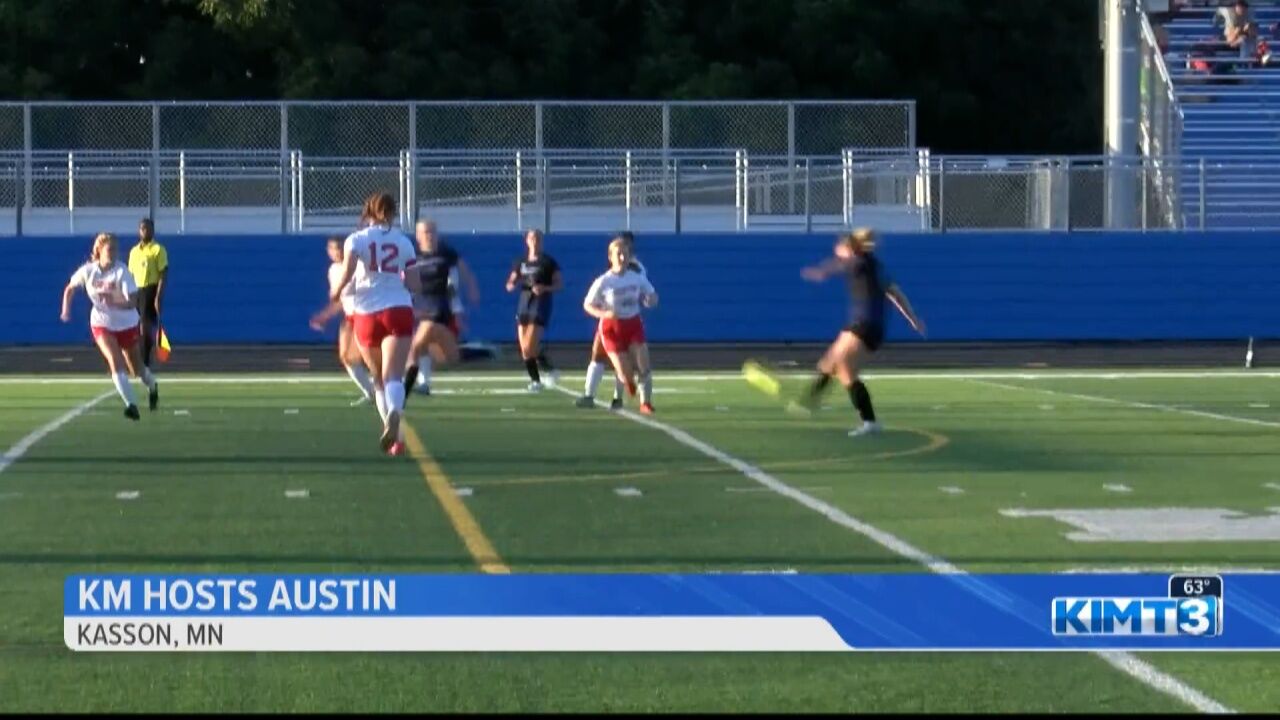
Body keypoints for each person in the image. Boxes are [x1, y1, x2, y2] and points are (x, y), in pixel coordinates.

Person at [796, 228, 926, 437]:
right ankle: (806, 403)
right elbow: (895, 293)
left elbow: (841, 264)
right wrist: (913, 319)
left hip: (867, 326)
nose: (837, 251)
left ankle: (869, 421)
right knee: (829, 362)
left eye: (839, 248)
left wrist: (822, 271)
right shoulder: (871, 264)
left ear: (849, 248)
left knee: (845, 369)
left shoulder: (861, 263)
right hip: (861, 324)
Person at [329, 192, 421, 455]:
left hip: (366, 312)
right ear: (393, 213)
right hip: (398, 308)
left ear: (367, 212)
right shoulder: (404, 242)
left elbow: (347, 273)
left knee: (378, 378)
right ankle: (395, 413)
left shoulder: (356, 239)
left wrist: (336, 293)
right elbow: (415, 284)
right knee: (394, 375)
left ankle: (393, 435)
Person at [61, 233, 159, 420]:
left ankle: (153, 386)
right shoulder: (88, 271)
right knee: (114, 360)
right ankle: (131, 405)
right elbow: (70, 289)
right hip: (102, 323)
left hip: (127, 324)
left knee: (136, 370)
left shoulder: (122, 272)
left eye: (115, 249)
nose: (113, 253)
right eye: (109, 249)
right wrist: (65, 310)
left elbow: (132, 302)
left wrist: (113, 301)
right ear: (99, 250)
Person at [404, 219, 490, 397]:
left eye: (432, 232)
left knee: (416, 346)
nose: (430, 236)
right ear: (418, 236)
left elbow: (463, 274)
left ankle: (403, 390)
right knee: (449, 356)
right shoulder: (412, 255)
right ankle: (481, 351)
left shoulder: (446, 253)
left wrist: (472, 289)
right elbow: (405, 280)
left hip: (438, 307)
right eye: (425, 232)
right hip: (419, 306)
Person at [582, 238, 658, 415]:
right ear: (610, 257)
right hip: (612, 328)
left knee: (644, 364)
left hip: (633, 324)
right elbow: (587, 304)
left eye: (625, 253)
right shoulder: (604, 281)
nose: (622, 257)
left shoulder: (637, 276)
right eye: (618, 254)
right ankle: (626, 384)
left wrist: (651, 300)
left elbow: (652, 295)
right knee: (625, 373)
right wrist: (604, 314)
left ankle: (645, 403)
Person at [309, 235, 379, 407]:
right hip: (350, 317)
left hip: (366, 314)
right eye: (334, 248)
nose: (338, 251)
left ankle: (387, 390)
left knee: (371, 358)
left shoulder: (358, 266)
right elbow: (340, 300)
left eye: (341, 247)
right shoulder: (333, 270)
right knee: (347, 357)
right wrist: (326, 315)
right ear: (328, 251)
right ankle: (371, 393)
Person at [505, 228, 563, 392]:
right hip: (524, 302)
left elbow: (559, 284)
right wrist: (511, 284)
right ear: (527, 241)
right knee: (524, 348)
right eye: (531, 238)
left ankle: (547, 372)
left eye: (537, 238)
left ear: (541, 241)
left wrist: (544, 288)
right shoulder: (521, 261)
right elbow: (512, 279)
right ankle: (538, 379)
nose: (534, 241)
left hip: (540, 304)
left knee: (530, 345)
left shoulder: (548, 262)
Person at [127, 218, 168, 370]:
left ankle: (145, 361)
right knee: (133, 327)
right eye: (143, 228)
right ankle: (134, 361)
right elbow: (130, 275)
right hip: (135, 292)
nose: (145, 231)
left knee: (146, 326)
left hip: (150, 290)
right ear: (139, 231)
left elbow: (163, 273)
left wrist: (158, 296)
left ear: (153, 230)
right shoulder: (134, 252)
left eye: (148, 228)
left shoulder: (158, 249)